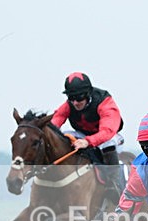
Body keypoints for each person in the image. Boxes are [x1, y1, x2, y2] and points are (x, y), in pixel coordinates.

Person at [50, 72, 125, 203]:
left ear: (88, 93)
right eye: (71, 98)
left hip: (108, 136)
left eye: (79, 97)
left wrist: (87, 142)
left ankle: (114, 184)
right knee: (64, 135)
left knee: (109, 142)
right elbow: (55, 121)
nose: (75, 102)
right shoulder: (69, 104)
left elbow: (107, 131)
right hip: (84, 135)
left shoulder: (104, 102)